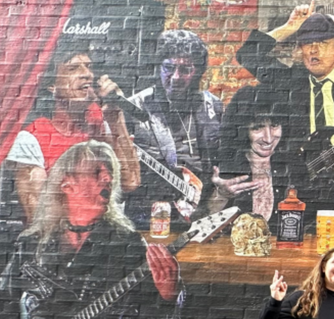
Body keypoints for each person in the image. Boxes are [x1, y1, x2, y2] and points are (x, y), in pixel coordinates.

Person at [0, 141, 182, 319]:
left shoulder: (127, 245)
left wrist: (169, 296)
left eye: (110, 172)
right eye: (97, 171)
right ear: (66, 184)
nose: (108, 178)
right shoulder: (30, 245)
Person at [4, 42, 140, 224]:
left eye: (89, 66)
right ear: (52, 85)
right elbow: (39, 220)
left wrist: (116, 120)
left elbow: (130, 182)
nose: (86, 74)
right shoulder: (32, 138)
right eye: (73, 68)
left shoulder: (102, 122)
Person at [235, 0, 334, 156]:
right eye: (307, 43)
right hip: (303, 169)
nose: (314, 50)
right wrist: (289, 27)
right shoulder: (291, 83)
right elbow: (247, 55)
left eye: (322, 42)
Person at [125, 30, 223, 227]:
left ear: (197, 72)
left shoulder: (213, 106)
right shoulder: (135, 107)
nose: (176, 77)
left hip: (201, 209)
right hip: (149, 212)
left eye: (185, 70)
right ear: (158, 67)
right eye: (169, 68)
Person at [208, 86, 308, 233]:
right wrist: (221, 196)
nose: (268, 138)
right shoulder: (225, 168)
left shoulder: (293, 167)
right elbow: (200, 227)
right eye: (257, 128)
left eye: (274, 126)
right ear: (243, 130)